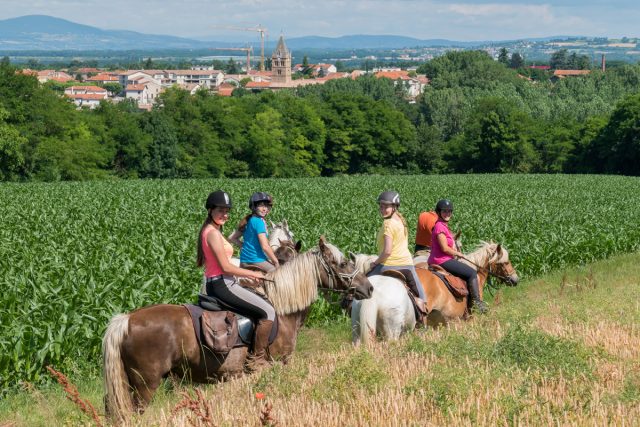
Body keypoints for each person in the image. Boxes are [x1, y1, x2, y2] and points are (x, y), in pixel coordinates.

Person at [196, 190, 276, 372]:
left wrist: (245, 280)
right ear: (210, 210)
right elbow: (225, 267)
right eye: (220, 210)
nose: (225, 214)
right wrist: (254, 275)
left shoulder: (213, 230)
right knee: (268, 311)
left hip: (223, 282)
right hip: (222, 284)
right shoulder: (213, 234)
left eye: (227, 211)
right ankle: (256, 361)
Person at [428, 199, 488, 313]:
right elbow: (444, 248)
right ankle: (476, 303)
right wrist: (458, 254)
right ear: (439, 212)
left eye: (449, 211)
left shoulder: (443, 226)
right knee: (472, 273)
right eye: (444, 211)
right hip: (442, 260)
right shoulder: (440, 227)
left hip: (442, 259)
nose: (447, 213)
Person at [368, 191, 428, 303]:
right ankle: (423, 312)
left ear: (394, 207)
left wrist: (375, 263)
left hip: (388, 265)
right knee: (422, 297)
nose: (382, 209)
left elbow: (387, 251)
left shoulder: (388, 223)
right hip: (407, 266)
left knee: (360, 286)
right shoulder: (401, 220)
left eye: (386, 207)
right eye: (381, 206)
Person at [228, 192, 280, 273]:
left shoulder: (249, 220)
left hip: (244, 260)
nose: (265, 209)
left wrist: (244, 246)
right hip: (255, 260)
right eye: (261, 205)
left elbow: (231, 238)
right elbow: (265, 246)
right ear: (254, 207)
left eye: (266, 206)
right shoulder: (258, 222)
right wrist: (276, 262)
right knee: (277, 273)